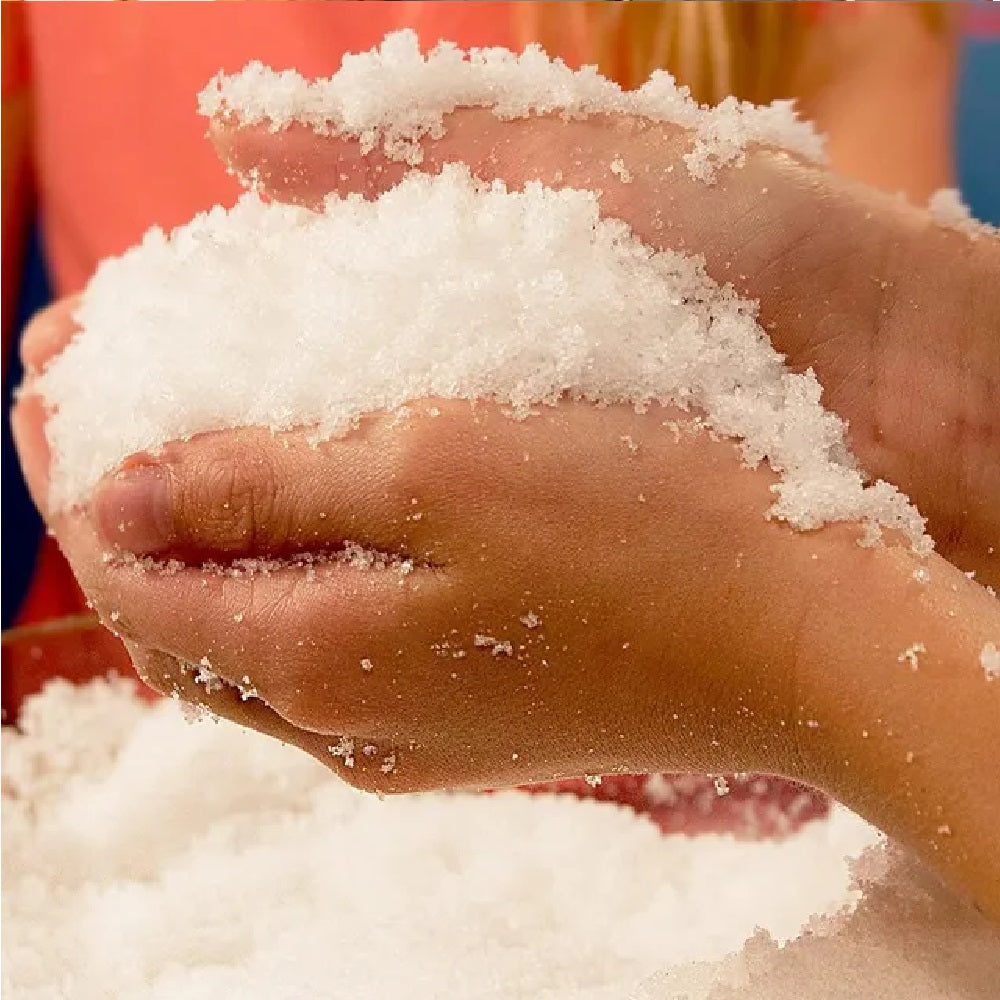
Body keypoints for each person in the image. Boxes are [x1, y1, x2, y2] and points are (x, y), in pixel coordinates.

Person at [11, 0, 998, 918]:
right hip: (173, 781)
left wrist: (793, 636)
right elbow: (915, 407)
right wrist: (953, 382)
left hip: (739, 845)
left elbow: (872, 488)